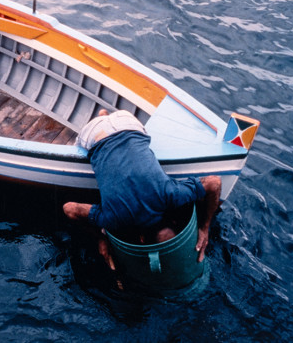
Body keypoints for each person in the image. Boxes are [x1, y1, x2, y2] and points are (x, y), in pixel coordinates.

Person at [63, 109, 221, 270]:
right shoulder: (114, 219)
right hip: (94, 135)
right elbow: (69, 208)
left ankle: (104, 117)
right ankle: (102, 119)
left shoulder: (170, 195)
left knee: (112, 132)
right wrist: (101, 238)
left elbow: (214, 183)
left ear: (172, 219)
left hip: (127, 123)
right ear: (142, 239)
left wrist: (204, 227)